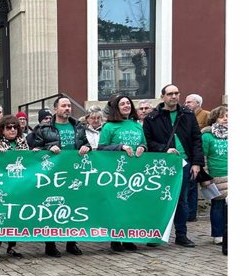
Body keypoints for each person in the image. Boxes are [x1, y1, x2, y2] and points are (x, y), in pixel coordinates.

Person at [143, 84, 204, 247]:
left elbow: (196, 139)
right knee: (159, 200)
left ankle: (181, 234)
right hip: (161, 165)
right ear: (163, 96)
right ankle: (155, 235)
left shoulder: (188, 114)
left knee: (182, 200)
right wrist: (164, 149)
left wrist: (197, 162)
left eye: (177, 93)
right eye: (170, 94)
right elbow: (148, 142)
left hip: (184, 163)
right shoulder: (152, 118)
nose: (174, 96)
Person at [32, 96, 89, 258]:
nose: (67, 108)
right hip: (52, 176)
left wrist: (86, 147)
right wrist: (49, 148)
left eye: (69, 106)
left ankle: (71, 243)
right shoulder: (43, 129)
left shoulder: (78, 127)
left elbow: (87, 144)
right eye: (63, 106)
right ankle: (50, 244)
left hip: (74, 174)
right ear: (55, 109)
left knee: (73, 207)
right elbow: (35, 150)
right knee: (52, 207)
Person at [98, 94, 147, 252]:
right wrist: (120, 147)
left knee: (131, 205)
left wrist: (143, 148)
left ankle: (128, 238)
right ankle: (115, 239)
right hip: (116, 172)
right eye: (122, 104)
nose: (126, 106)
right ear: (116, 108)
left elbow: (144, 143)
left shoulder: (137, 125)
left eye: (128, 103)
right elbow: (102, 147)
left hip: (134, 171)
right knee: (116, 205)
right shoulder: (109, 127)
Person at [0, 115, 27, 260]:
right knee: (0, 217)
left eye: (15, 127)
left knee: (15, 216)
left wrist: (34, 154)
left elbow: (29, 164)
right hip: (1, 187)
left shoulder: (23, 143)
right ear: (2, 129)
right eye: (9, 127)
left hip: (18, 187)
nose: (12, 130)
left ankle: (12, 247)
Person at [200, 105, 228, 246]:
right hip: (216, 175)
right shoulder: (207, 136)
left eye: (228, 116)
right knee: (218, 205)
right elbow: (203, 157)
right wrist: (205, 176)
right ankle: (218, 234)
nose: (226, 119)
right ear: (214, 118)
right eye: (222, 116)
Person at [183, 94, 210, 221]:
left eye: (189, 102)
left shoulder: (206, 114)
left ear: (198, 103)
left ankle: (191, 213)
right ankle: (188, 213)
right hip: (189, 152)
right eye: (186, 102)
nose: (186, 104)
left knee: (193, 186)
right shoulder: (184, 115)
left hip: (198, 153)